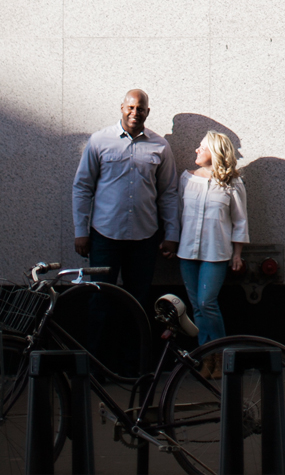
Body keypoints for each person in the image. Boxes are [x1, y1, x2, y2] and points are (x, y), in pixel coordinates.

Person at [71, 89, 182, 316]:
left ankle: (135, 352)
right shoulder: (99, 141)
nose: (135, 112)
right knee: (99, 300)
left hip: (145, 239)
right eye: (130, 107)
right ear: (122, 108)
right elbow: (82, 187)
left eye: (140, 108)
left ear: (147, 112)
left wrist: (172, 234)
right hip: (104, 237)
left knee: (138, 304)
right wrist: (81, 231)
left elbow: (169, 193)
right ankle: (96, 352)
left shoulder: (160, 146)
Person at [177, 130, 249, 377]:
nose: (197, 150)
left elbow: (240, 221)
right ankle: (205, 357)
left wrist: (237, 253)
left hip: (216, 253)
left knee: (207, 302)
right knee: (196, 306)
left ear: (216, 153)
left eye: (202, 147)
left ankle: (221, 354)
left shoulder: (233, 183)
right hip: (187, 251)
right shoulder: (186, 179)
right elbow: (177, 212)